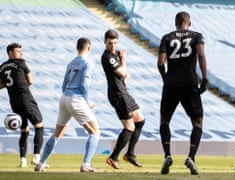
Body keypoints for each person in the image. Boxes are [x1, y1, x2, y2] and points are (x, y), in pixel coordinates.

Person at [34, 37, 100, 172]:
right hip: (77, 99)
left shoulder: (70, 63)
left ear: (77, 48)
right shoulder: (88, 62)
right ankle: (86, 164)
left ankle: (41, 163)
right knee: (95, 132)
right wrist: (86, 101)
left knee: (57, 134)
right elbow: (84, 83)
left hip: (64, 98)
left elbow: (63, 85)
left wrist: (68, 97)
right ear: (89, 48)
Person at [157, 11, 208, 175]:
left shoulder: (167, 37)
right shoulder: (196, 36)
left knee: (165, 120)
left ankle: (167, 155)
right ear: (189, 23)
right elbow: (201, 54)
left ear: (175, 23)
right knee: (197, 122)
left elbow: (160, 63)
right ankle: (191, 157)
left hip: (171, 83)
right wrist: (205, 78)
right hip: (190, 83)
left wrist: (165, 78)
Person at [101, 29, 145, 169]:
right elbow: (123, 72)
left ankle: (130, 154)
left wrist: (125, 76)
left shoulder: (115, 54)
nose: (113, 46)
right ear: (105, 43)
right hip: (117, 95)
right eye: (110, 43)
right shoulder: (108, 57)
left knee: (140, 119)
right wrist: (124, 61)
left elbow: (124, 77)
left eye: (115, 43)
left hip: (123, 91)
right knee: (129, 127)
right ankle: (114, 157)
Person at [0, 43, 44, 168]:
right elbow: (30, 81)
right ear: (10, 53)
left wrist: (11, 86)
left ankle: (23, 160)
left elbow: (1, 85)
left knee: (24, 130)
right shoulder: (21, 63)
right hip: (25, 98)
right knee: (39, 125)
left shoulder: (2, 67)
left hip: (13, 101)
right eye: (18, 51)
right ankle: (36, 156)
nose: (21, 53)